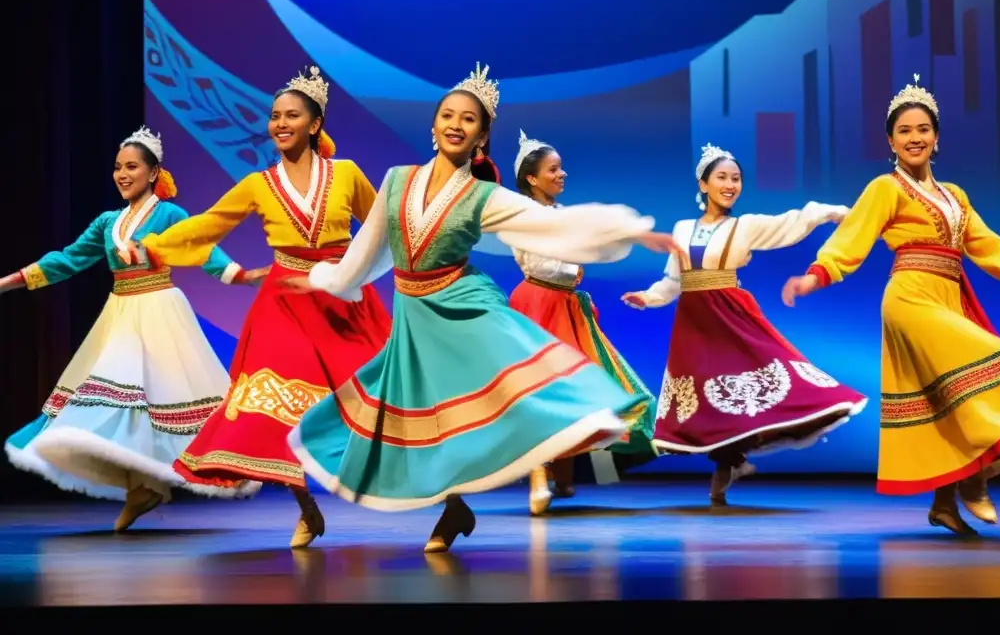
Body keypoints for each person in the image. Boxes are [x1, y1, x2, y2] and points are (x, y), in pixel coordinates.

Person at [283, 63, 681, 553]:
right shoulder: (395, 182)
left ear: (482, 136)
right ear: (433, 127)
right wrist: (325, 279)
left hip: (465, 308)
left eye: (468, 119)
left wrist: (629, 231)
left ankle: (539, 468)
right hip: (415, 318)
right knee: (426, 418)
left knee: (499, 399)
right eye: (447, 115)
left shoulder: (483, 196)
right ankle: (455, 510)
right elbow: (366, 254)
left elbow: (554, 226)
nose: (455, 124)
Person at [120, 67, 393, 548]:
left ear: (315, 123)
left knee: (385, 403)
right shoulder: (258, 184)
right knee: (271, 404)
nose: (280, 123)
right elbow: (207, 226)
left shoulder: (346, 174)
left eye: (292, 115)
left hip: (342, 299)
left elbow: (381, 228)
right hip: (285, 301)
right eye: (274, 116)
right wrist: (153, 244)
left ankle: (449, 502)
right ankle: (305, 506)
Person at [781, 74, 1000, 535]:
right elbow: (850, 240)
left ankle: (946, 502)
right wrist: (817, 275)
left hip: (948, 296)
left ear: (936, 138)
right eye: (904, 131)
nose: (915, 138)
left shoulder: (956, 196)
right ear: (891, 140)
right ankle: (975, 477)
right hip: (911, 299)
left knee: (948, 401)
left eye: (923, 130)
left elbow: (991, 248)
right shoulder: (885, 188)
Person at [1, 127, 264, 531]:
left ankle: (148, 486)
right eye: (118, 168)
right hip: (121, 312)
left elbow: (200, 246)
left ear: (153, 172)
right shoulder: (109, 222)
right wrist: (7, 282)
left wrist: (239, 274)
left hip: (160, 311)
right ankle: (142, 487)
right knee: (115, 400)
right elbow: (67, 260)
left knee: (157, 402)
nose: (123, 174)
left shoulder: (169, 214)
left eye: (132, 167)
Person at [621, 143, 867, 507]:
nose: (730, 184)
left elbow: (793, 221)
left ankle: (733, 460)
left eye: (736, 179)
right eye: (722, 177)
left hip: (731, 316)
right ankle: (730, 462)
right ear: (703, 184)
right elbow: (674, 280)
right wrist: (649, 297)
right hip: (695, 322)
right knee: (707, 398)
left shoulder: (744, 227)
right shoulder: (682, 228)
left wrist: (835, 213)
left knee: (751, 386)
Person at [507, 129, 658, 515]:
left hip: (568, 303)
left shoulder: (561, 214)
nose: (562, 175)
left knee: (579, 385)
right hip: (539, 302)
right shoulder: (521, 215)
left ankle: (564, 474)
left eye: (561, 169)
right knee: (542, 388)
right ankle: (539, 474)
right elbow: (549, 259)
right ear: (531, 178)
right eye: (553, 170)